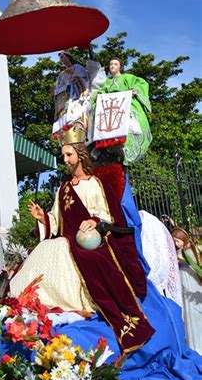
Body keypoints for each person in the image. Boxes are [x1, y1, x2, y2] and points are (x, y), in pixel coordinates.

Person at [9, 125, 154, 354]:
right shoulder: (63, 189)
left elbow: (108, 214)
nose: (65, 160)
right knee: (50, 245)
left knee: (82, 255)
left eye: (69, 154)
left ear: (80, 155)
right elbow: (56, 222)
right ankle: (32, 298)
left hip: (94, 240)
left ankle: (82, 302)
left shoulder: (95, 184)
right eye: (63, 155)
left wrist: (95, 221)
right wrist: (43, 218)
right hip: (68, 239)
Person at [92, 58, 152, 164]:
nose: (112, 66)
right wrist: (97, 96)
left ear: (120, 66)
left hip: (125, 107)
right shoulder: (107, 83)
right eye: (111, 64)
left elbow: (141, 83)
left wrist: (136, 90)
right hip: (111, 112)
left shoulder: (127, 77)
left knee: (132, 125)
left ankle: (127, 149)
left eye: (115, 64)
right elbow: (100, 92)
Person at [171, 227, 202, 353]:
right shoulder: (181, 252)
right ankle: (193, 346)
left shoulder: (191, 251)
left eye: (177, 241)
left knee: (194, 312)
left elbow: (193, 264)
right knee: (188, 314)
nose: (175, 244)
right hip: (184, 283)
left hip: (191, 284)